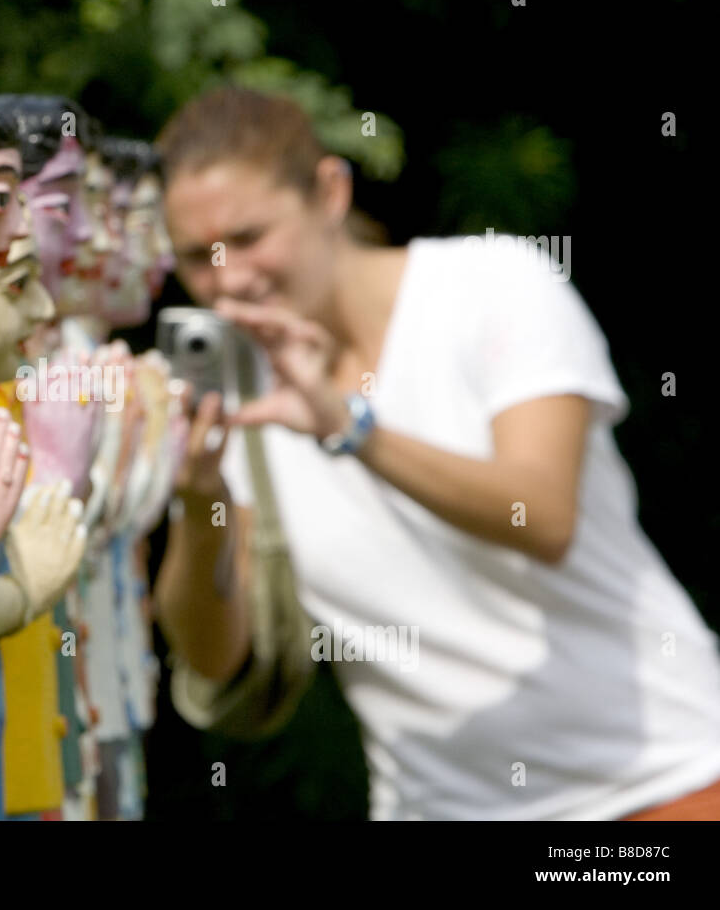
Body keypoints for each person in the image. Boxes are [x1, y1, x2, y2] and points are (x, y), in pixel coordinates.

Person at [153, 85, 720, 820]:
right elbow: (214, 660)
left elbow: (541, 516)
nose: (228, 280)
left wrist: (349, 427)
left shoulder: (493, 284)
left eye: (251, 237)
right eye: (198, 257)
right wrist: (201, 507)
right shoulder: (230, 388)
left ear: (330, 191)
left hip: (654, 784)